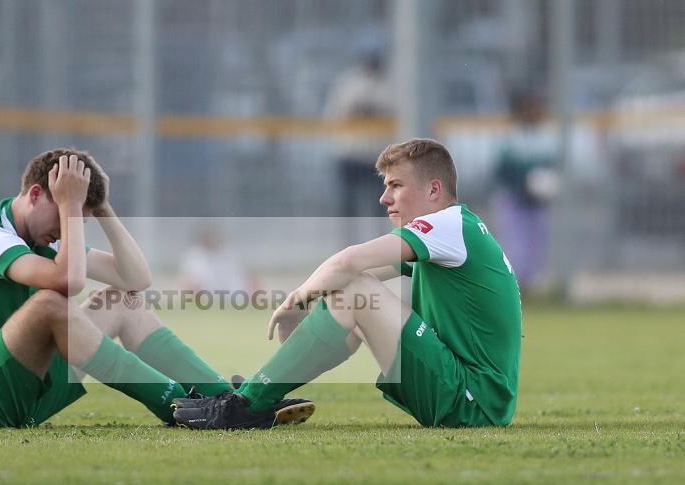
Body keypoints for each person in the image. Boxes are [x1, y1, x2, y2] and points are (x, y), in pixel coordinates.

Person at [0, 148, 314, 428]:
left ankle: (232, 402)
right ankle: (177, 403)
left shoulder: (44, 236)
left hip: (24, 387)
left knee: (121, 300)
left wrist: (100, 206)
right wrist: (71, 206)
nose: (72, 226)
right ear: (36, 195)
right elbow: (67, 284)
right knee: (51, 306)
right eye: (68, 213)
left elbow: (136, 279)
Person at [173, 139, 521, 430]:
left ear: (434, 189)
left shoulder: (449, 224)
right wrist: (312, 306)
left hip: (471, 403)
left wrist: (297, 300)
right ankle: (255, 396)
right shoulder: (457, 231)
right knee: (354, 291)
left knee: (356, 290)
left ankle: (244, 405)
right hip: (472, 397)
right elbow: (348, 279)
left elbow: (348, 263)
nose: (385, 198)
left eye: (395, 185)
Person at [325, 45, 394, 244]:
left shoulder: (389, 85)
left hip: (377, 156)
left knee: (380, 206)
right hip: (351, 154)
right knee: (349, 207)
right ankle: (347, 245)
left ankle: (380, 245)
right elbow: (334, 114)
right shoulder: (349, 84)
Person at [491, 89, 559, 293]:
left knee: (535, 245)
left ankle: (529, 286)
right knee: (516, 245)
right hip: (515, 199)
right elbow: (501, 171)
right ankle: (513, 287)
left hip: (537, 202)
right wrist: (522, 186)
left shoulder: (546, 136)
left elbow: (551, 168)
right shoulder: (512, 136)